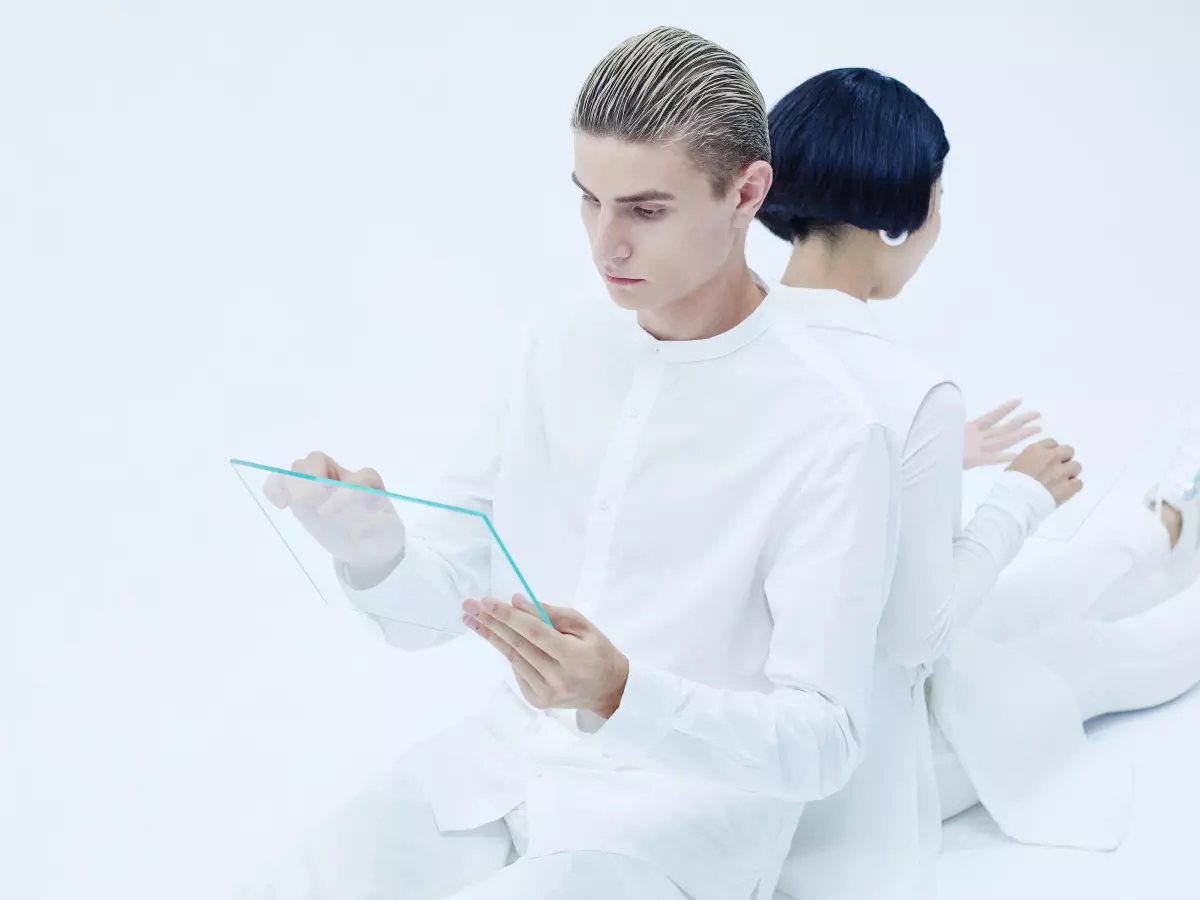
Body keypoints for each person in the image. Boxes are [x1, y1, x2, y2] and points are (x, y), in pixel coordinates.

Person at [233, 30, 902, 900]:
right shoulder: (554, 348)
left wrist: (626, 694)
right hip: (491, 775)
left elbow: (825, 740)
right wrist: (376, 551)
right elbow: (445, 601)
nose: (605, 244)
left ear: (747, 193)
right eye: (589, 200)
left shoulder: (833, 432)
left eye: (645, 210)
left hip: (669, 831)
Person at [755, 67, 1200, 899]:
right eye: (938, 196)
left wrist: (930, 459)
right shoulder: (904, 386)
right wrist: (1021, 497)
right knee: (1090, 654)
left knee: (1062, 584)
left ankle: (1166, 518)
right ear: (899, 214)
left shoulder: (735, 340)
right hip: (875, 764)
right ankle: (1169, 522)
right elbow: (919, 638)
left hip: (775, 724)